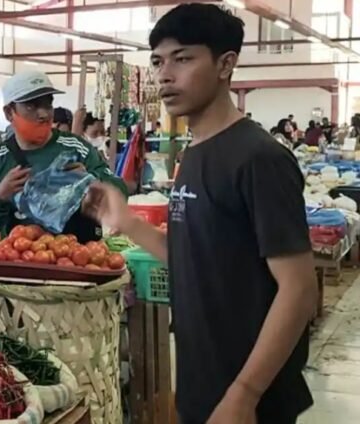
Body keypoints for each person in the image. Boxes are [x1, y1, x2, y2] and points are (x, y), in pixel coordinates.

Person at [82, 4, 315, 423]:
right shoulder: (196, 153)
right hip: (204, 381)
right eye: (158, 62)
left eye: (183, 58)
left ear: (226, 64)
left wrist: (244, 393)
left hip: (252, 398)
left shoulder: (259, 158)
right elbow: (190, 257)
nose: (165, 74)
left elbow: (298, 291)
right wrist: (126, 220)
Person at [0, 70, 127, 243]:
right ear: (9, 112)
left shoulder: (76, 149)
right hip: (21, 261)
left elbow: (121, 192)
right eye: (31, 105)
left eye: (48, 104)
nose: (43, 114)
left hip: (80, 260)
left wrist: (90, 182)